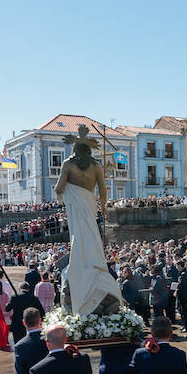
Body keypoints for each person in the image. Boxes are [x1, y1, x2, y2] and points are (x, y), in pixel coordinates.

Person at [54, 125, 124, 316]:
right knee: (91, 233)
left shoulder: (67, 164)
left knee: (78, 235)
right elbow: (103, 190)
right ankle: (94, 263)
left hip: (77, 206)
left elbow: (59, 188)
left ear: (74, 149)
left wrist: (66, 194)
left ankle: (81, 264)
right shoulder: (96, 165)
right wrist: (104, 208)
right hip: (89, 204)